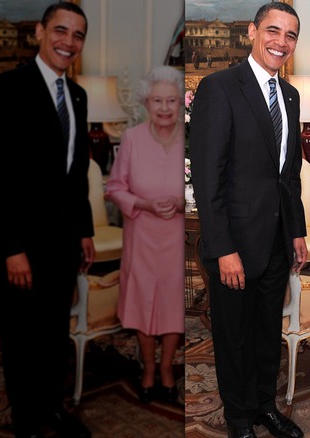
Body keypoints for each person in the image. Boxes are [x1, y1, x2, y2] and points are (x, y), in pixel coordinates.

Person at [188, 3, 307, 438]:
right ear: (253, 32)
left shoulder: (290, 95)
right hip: (233, 245)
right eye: (273, 31)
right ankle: (239, 420)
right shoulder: (219, 88)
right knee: (233, 338)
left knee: (264, 335)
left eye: (290, 35)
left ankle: (264, 407)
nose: (281, 41)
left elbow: (288, 173)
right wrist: (222, 249)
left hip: (276, 241)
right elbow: (207, 176)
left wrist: (296, 231)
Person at [0, 3, 94, 437]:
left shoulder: (77, 96)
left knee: (51, 337)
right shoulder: (5, 88)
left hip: (62, 243)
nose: (68, 41)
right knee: (22, 340)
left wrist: (84, 230)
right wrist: (11, 248)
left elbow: (76, 171)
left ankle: (52, 409)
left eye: (77, 35)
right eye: (60, 31)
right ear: (40, 32)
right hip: (19, 245)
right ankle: (27, 422)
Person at [106, 66, 185, 404]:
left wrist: (183, 201)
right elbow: (115, 188)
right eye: (157, 100)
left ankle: (166, 368)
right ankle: (148, 368)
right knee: (142, 303)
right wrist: (144, 204)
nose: (164, 107)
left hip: (176, 239)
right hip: (142, 235)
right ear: (145, 103)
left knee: (171, 304)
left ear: (181, 102)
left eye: (171, 100)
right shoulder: (133, 138)